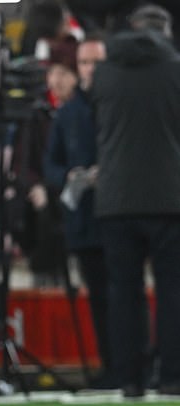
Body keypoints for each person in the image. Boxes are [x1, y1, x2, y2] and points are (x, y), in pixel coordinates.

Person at [90, 3, 180, 397]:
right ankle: (172, 376)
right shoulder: (176, 70)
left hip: (116, 200)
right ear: (166, 31)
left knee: (123, 294)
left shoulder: (104, 73)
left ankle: (130, 380)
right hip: (169, 199)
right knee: (173, 292)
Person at [44, 36, 115, 388]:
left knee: (123, 295)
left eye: (95, 63)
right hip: (84, 220)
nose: (90, 70)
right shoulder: (68, 113)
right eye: (85, 63)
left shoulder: (116, 105)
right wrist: (67, 177)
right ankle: (110, 364)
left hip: (116, 216)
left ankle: (132, 363)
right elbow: (50, 164)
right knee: (100, 297)